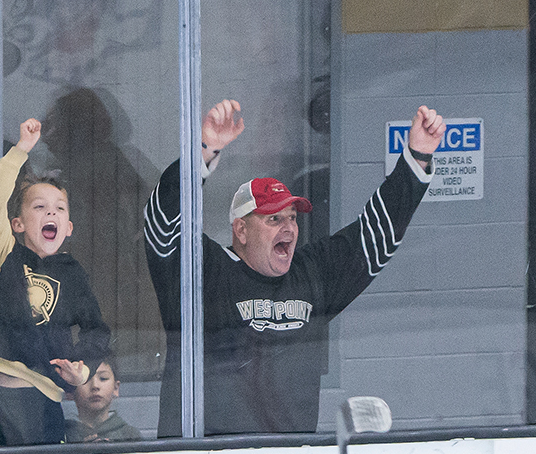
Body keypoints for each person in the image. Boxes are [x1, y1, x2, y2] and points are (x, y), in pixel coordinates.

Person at [144, 99, 443, 436]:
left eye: (292, 218)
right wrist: (204, 151)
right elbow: (163, 223)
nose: (288, 227)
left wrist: (416, 159)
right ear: (240, 230)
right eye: (273, 219)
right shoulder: (204, 273)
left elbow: (376, 235)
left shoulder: (311, 274)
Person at [0, 121, 109, 448]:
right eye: (39, 207)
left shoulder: (73, 273)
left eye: (59, 208)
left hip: (49, 400)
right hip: (3, 397)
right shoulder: (5, 254)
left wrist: (83, 369)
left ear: (68, 227)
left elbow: (97, 329)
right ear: (17, 224)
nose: (51, 211)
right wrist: (20, 151)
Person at [65, 353, 140, 443]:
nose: (95, 386)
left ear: (116, 388)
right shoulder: (62, 434)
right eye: (85, 380)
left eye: (103, 378)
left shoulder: (129, 435)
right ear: (70, 392)